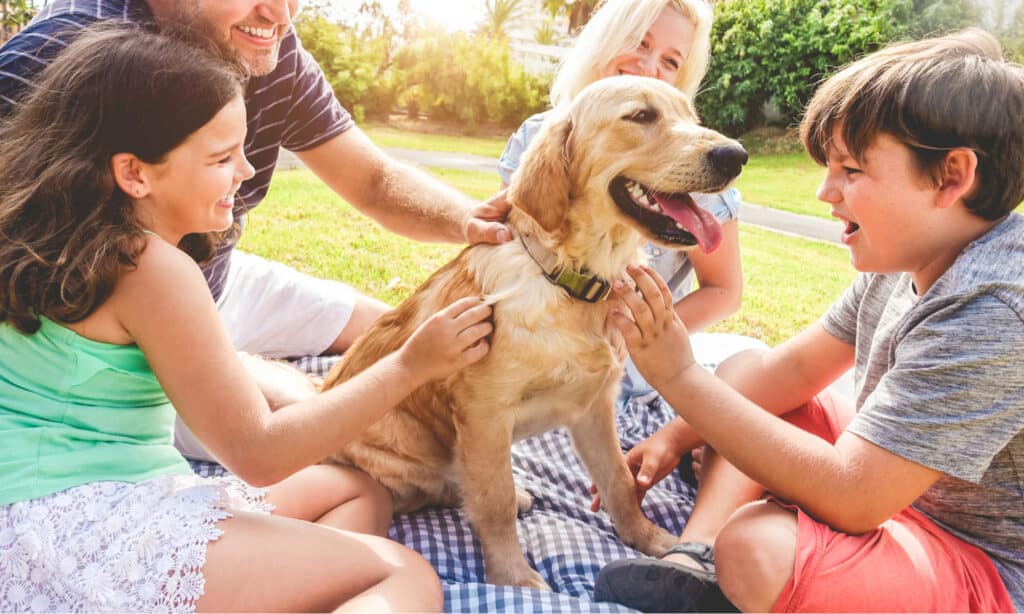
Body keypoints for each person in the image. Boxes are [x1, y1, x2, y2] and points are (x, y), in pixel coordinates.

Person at [0, 24, 495, 612]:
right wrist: (411, 364)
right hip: (76, 529)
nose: (246, 171)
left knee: (357, 489)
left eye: (242, 148)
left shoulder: (58, 237)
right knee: (402, 575)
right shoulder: (149, 269)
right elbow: (260, 455)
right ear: (135, 173)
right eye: (219, 157)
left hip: (52, 501)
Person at [591, 28, 1023, 613]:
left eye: (851, 170)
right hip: (901, 497)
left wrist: (678, 378)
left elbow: (856, 495)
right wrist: (675, 435)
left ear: (950, 176)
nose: (825, 191)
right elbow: (788, 370)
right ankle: (695, 553)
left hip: (983, 567)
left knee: (759, 547)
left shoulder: (994, 307)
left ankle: (738, 573)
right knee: (748, 373)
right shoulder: (898, 262)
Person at [0, 0, 512, 462]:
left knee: (405, 329)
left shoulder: (267, 47)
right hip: (117, 347)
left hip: (218, 279)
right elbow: (261, 448)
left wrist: (477, 223)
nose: (281, 15)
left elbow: (375, 181)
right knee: (356, 433)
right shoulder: (64, 51)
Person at [497, 0, 744, 413]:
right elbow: (509, 247)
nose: (649, 67)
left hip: (633, 372)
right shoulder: (541, 138)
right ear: (603, 41)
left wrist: (639, 332)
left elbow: (725, 290)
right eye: (638, 42)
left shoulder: (698, 165)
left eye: (670, 60)